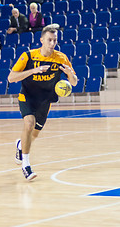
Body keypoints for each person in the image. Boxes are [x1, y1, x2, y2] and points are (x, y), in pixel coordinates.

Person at [7, 24, 78, 181]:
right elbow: (11, 78)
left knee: (34, 135)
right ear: (41, 40)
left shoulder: (61, 58)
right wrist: (33, 71)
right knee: (28, 124)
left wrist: (69, 75)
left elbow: (74, 82)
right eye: (49, 40)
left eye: (55, 40)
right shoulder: (28, 56)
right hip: (27, 96)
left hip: (45, 100)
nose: (52, 43)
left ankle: (20, 145)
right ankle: (26, 165)